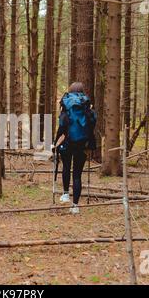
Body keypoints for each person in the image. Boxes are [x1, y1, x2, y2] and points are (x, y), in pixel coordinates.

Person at [54, 82, 96, 215]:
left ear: (70, 90)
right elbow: (92, 122)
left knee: (66, 167)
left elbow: (62, 124)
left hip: (67, 142)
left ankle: (66, 194)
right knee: (77, 174)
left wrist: (56, 141)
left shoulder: (66, 104)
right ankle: (75, 206)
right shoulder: (86, 105)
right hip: (82, 143)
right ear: (82, 91)